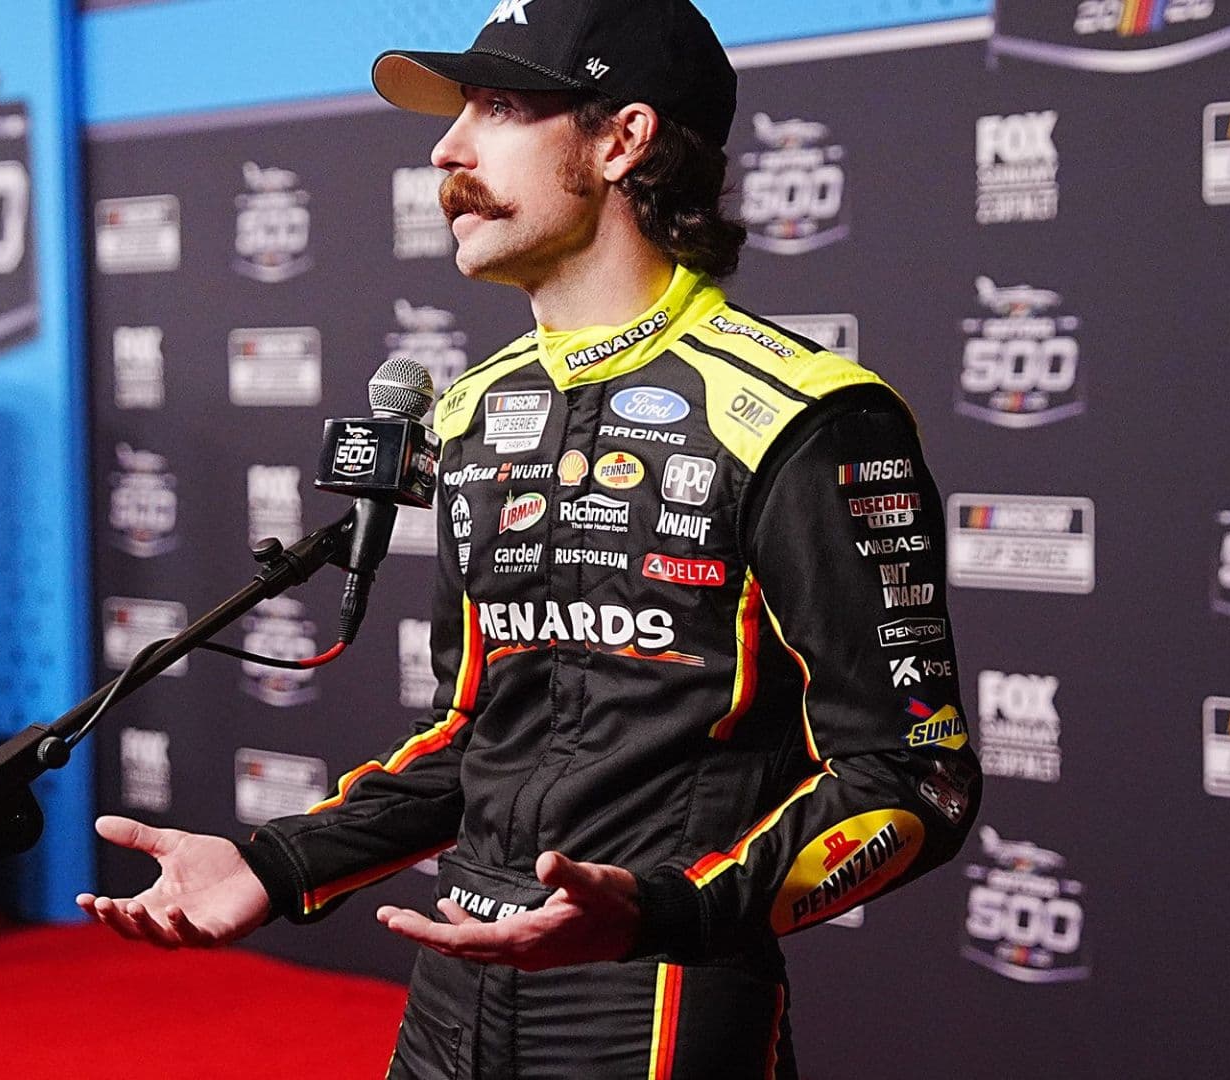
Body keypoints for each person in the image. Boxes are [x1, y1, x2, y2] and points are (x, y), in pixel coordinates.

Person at [78, 2, 981, 1076]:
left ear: (622, 140)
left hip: (655, 999)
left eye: (501, 108)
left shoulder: (808, 418)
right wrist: (274, 865)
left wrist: (665, 909)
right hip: (450, 986)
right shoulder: (473, 412)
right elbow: (474, 736)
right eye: (461, 110)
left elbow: (913, 777)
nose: (447, 149)